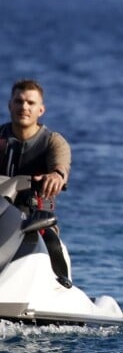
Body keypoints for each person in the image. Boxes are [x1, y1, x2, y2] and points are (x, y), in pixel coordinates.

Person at [0, 79, 72, 281]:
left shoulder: (53, 142)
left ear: (40, 110)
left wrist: (56, 176)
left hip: (35, 220)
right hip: (0, 216)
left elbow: (61, 165)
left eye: (30, 103)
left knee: (50, 240)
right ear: (10, 105)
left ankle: (62, 284)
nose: (24, 107)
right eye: (18, 101)